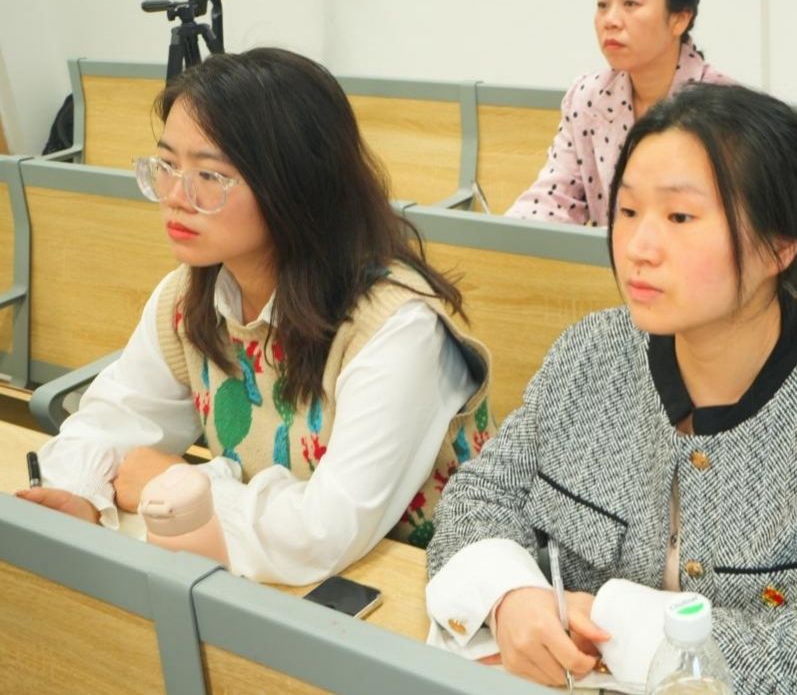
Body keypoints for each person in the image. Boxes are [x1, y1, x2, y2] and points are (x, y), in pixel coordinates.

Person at [428, 84, 797, 693]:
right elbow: (478, 498)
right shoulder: (590, 351)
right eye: (627, 211)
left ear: (779, 246)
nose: (638, 249)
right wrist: (509, 595)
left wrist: (630, 629)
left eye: (679, 217)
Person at [15, 48, 493, 585]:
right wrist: (79, 491)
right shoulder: (188, 296)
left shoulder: (397, 327)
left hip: (425, 591)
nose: (175, 196)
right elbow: (114, 420)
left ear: (293, 185)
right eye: (167, 165)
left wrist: (179, 487)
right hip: (272, 584)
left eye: (209, 175)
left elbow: (323, 533)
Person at [505, 0, 732, 226]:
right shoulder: (587, 97)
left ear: (679, 18)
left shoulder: (726, 109)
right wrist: (501, 237)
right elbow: (553, 200)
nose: (610, 20)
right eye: (602, 4)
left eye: (630, 3)